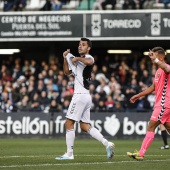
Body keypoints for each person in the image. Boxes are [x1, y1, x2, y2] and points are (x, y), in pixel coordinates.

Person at [55, 37, 114, 160]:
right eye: (79, 44)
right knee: (84, 126)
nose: (80, 46)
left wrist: (76, 58)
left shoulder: (89, 57)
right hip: (86, 96)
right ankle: (107, 144)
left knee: (68, 123)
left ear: (88, 48)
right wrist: (65, 58)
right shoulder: (78, 62)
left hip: (80, 96)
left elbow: (89, 62)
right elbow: (66, 72)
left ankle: (69, 154)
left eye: (83, 45)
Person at [127, 47, 170, 161]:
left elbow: (166, 68)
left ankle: (141, 153)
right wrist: (138, 95)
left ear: (161, 57)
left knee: (151, 126)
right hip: (163, 105)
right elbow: (152, 88)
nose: (152, 59)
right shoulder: (157, 72)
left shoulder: (166, 68)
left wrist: (156, 60)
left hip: (163, 104)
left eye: (155, 56)